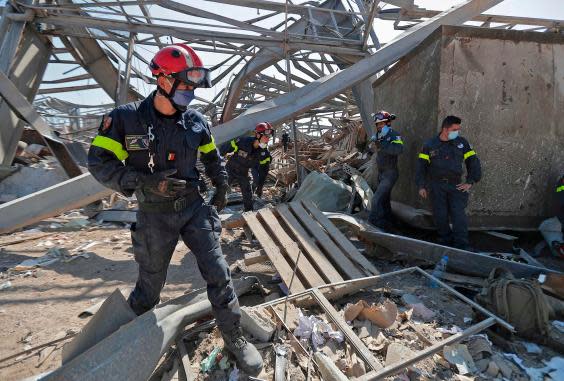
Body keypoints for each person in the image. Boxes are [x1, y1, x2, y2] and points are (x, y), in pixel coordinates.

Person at [87, 44, 262, 375]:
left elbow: (212, 158)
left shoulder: (197, 122)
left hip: (194, 208)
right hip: (154, 214)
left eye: (194, 86)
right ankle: (127, 337)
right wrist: (142, 182)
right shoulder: (125, 119)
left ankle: (234, 336)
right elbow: (98, 162)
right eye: (185, 84)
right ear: (162, 79)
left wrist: (221, 185)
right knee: (150, 285)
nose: (190, 92)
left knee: (219, 273)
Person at [415, 115, 481, 250]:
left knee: (459, 215)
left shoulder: (462, 143)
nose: (457, 132)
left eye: (458, 129)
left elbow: (473, 161)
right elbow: (421, 167)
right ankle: (445, 243)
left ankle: (462, 245)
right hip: (436, 186)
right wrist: (421, 185)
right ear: (445, 129)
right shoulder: (429, 145)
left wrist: (470, 181)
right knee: (440, 215)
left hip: (456, 185)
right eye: (455, 129)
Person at [221, 122, 273, 211]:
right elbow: (223, 149)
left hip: (243, 173)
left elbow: (264, 170)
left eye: (269, 137)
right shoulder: (243, 141)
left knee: (248, 195)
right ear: (257, 135)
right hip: (230, 169)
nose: (268, 139)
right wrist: (218, 164)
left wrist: (260, 187)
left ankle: (249, 213)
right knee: (221, 191)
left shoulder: (263, 152)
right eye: (266, 136)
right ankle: (210, 211)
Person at [367, 111, 403, 231]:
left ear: (388, 123)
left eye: (381, 124)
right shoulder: (378, 135)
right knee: (384, 202)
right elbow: (373, 149)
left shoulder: (394, 135)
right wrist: (371, 149)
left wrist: (383, 146)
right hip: (381, 173)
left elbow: (398, 150)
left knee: (376, 199)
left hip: (390, 173)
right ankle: (390, 225)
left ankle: (373, 224)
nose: (379, 127)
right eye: (377, 124)